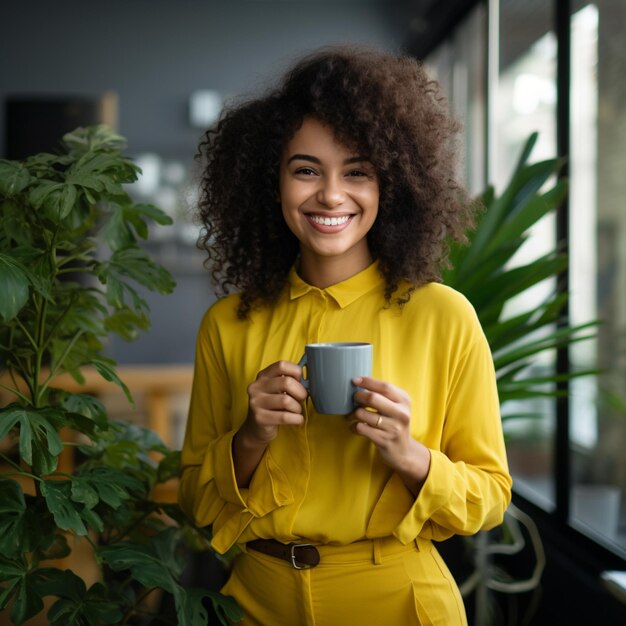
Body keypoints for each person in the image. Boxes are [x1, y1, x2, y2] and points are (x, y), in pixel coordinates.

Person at [179, 45, 512, 626]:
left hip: (399, 601)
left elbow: (490, 497)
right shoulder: (228, 324)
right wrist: (250, 436)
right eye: (306, 169)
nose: (331, 195)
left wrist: (410, 456)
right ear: (271, 183)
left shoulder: (444, 316)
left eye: (357, 171)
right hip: (254, 602)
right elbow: (193, 500)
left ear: (393, 184)